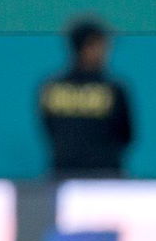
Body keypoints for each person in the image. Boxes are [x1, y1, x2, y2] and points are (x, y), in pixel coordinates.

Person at [38, 17, 134, 176]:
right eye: (101, 45)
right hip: (104, 178)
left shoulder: (51, 88)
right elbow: (126, 136)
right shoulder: (113, 89)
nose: (106, 51)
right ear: (86, 47)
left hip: (64, 176)